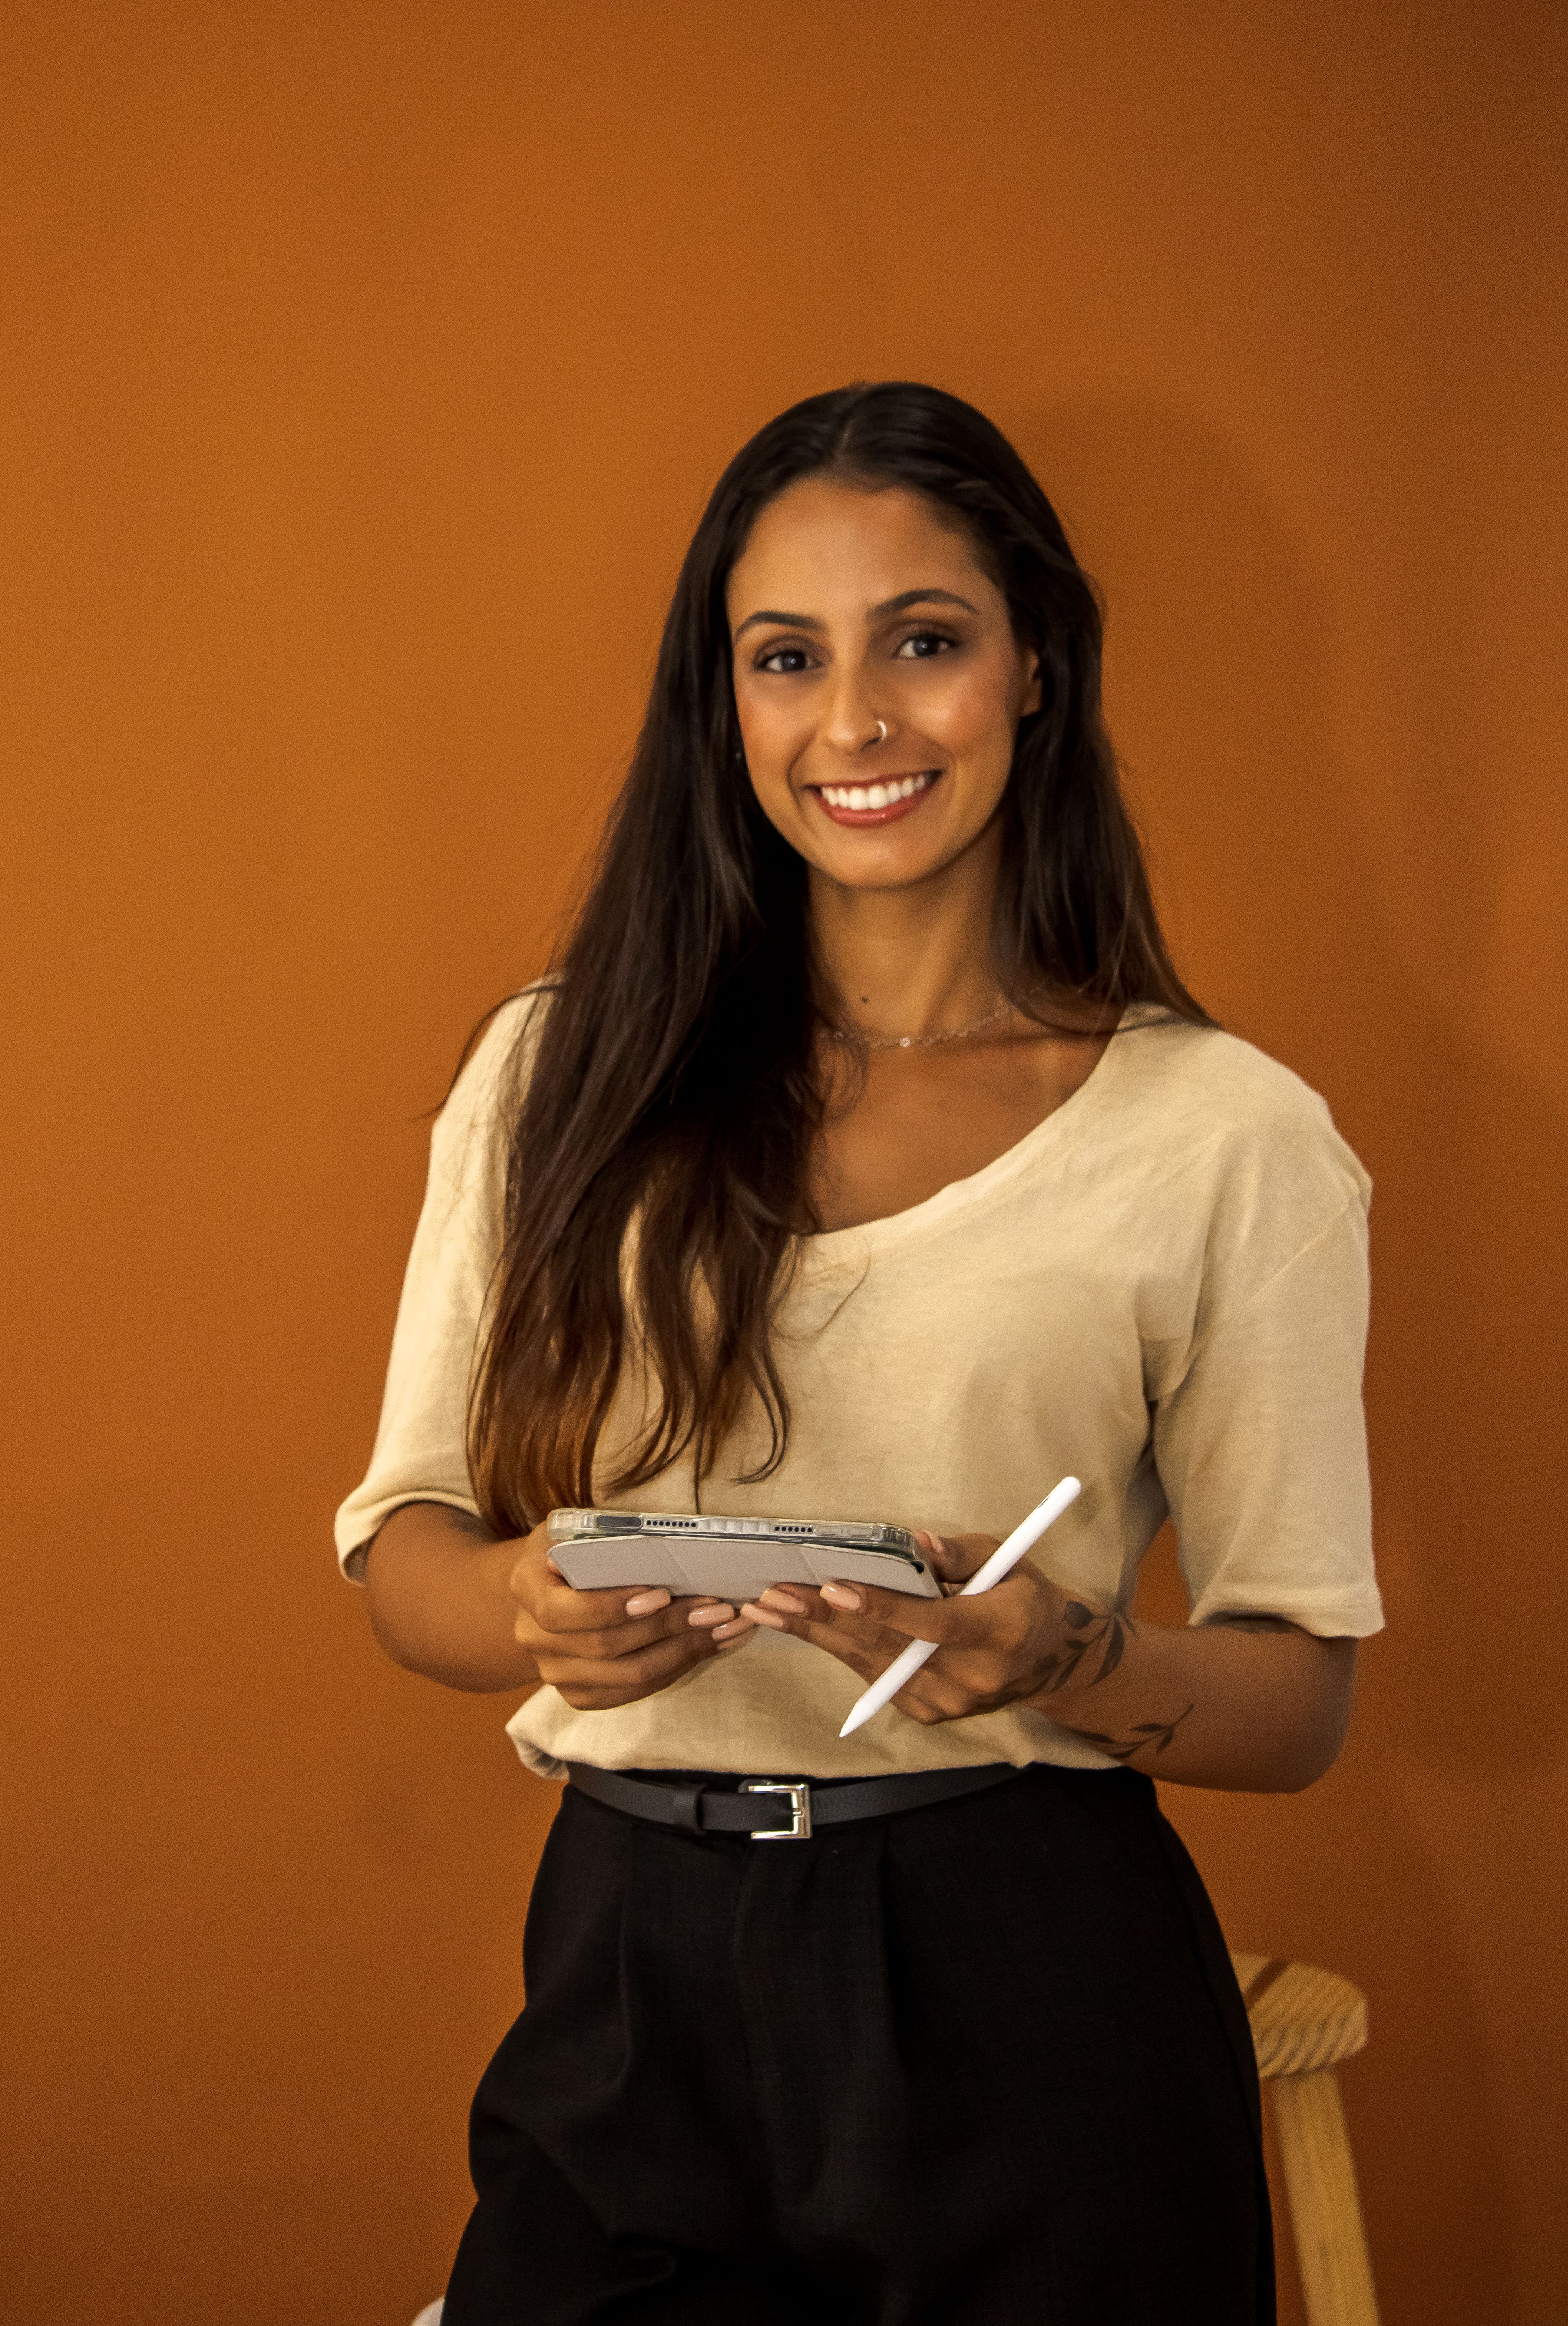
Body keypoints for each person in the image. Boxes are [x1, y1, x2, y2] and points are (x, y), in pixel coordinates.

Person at [336, 381, 1382, 2325]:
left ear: (1034, 665)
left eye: (922, 641)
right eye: (786, 657)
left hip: (1027, 1973)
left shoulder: (1227, 1138)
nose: (854, 722)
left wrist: (1062, 1654)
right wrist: (527, 1607)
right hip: (629, 1965)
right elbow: (408, 1550)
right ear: (721, 702)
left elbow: (1297, 1704)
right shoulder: (556, 1076)